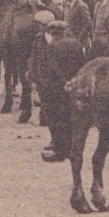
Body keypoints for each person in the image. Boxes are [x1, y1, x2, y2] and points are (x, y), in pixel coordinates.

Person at [30, 17, 85, 162]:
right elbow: (83, 63)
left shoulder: (52, 47)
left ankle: (59, 151)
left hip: (53, 89)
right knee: (68, 117)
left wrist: (62, 81)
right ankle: (72, 149)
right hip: (71, 88)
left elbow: (53, 68)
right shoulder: (76, 44)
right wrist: (72, 81)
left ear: (52, 32)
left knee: (55, 120)